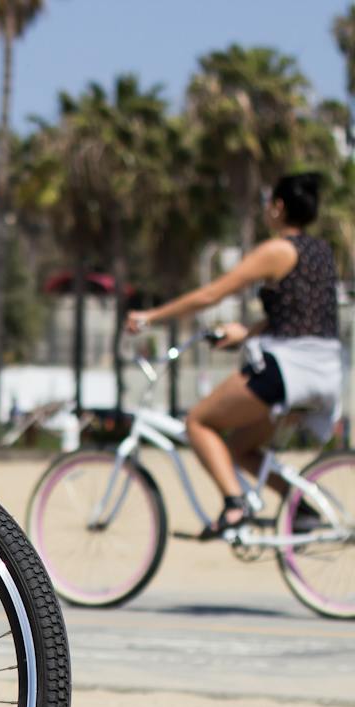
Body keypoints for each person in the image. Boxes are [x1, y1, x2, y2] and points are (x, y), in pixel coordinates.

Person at [125, 173, 344, 538]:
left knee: (198, 422)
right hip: (326, 372)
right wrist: (248, 333)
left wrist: (150, 316)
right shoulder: (322, 252)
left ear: (277, 207)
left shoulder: (277, 250)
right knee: (239, 448)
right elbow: (301, 318)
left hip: (287, 370)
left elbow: (212, 295)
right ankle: (300, 507)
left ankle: (233, 505)